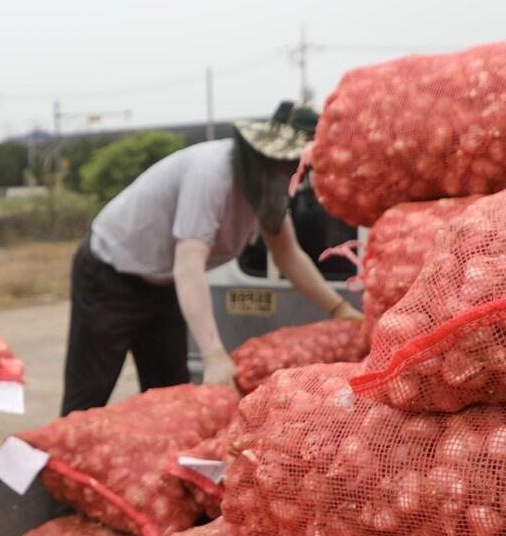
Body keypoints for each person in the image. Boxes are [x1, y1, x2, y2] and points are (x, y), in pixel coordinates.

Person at [61, 102, 360, 414]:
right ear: (263, 155)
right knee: (88, 395)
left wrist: (340, 310)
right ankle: (42, 460)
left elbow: (288, 255)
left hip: (163, 285)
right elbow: (188, 263)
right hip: (110, 274)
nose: (290, 174)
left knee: (170, 397)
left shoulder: (267, 189)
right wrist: (213, 355)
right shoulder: (212, 173)